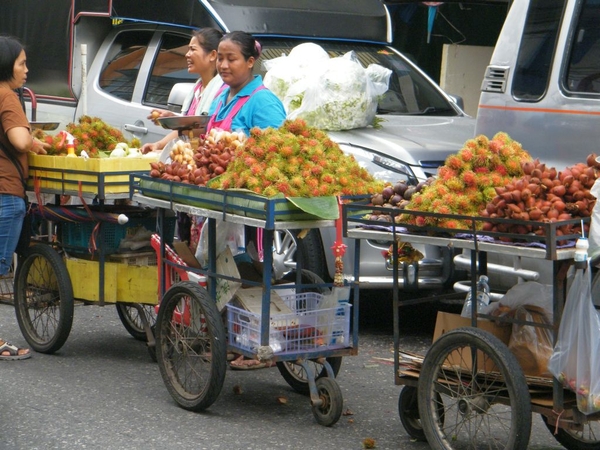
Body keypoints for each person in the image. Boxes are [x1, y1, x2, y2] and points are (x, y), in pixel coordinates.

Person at [0, 36, 49, 361]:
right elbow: (18, 138)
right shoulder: (7, 95)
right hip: (5, 194)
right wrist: (34, 143)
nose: (26, 69)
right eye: (22, 63)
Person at [140, 27, 224, 155]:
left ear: (212, 55)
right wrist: (159, 145)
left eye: (193, 49)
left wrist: (176, 121)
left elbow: (208, 129)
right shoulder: (196, 89)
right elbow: (184, 130)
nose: (187, 54)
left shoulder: (222, 91)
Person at [207, 31, 286, 135]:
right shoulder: (219, 99)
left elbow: (276, 145)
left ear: (250, 62)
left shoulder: (264, 102)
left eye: (231, 59)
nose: (223, 65)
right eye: (220, 59)